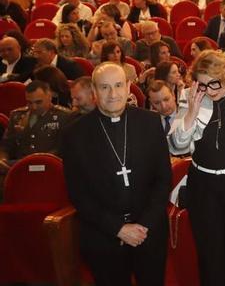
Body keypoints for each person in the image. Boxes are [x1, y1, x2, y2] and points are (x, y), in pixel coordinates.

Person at [61, 63, 171, 285]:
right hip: (102, 236)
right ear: (94, 90)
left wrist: (143, 226)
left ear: (129, 86)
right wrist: (118, 229)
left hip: (148, 232)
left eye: (119, 85)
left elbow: (163, 179)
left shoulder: (150, 122)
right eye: (104, 87)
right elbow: (78, 193)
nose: (113, 94)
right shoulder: (75, 134)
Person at [169, 50, 225, 285]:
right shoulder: (190, 97)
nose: (209, 90)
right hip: (203, 186)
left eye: (214, 83)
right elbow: (177, 147)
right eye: (203, 84)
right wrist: (191, 112)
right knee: (211, 252)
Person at [0, 80, 72, 170]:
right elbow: (5, 146)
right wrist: (2, 160)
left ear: (49, 97)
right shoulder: (17, 116)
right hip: (20, 166)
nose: (34, 107)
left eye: (38, 102)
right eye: (29, 102)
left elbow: (64, 148)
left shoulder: (64, 116)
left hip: (49, 166)